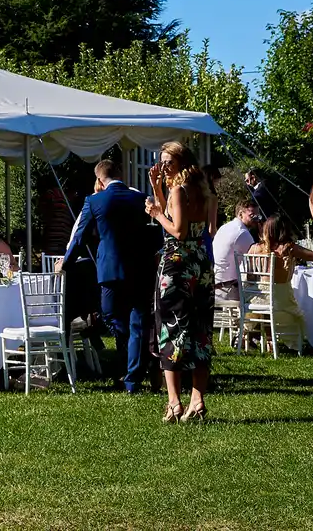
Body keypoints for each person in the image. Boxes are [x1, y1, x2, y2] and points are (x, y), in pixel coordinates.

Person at [60, 158, 156, 395]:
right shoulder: (140, 198)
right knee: (137, 322)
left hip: (111, 268)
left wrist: (66, 262)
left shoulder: (94, 201)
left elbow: (80, 236)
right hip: (140, 268)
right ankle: (133, 375)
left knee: (110, 314)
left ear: (100, 180)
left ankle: (130, 363)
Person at [144, 142, 215, 424]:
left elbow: (177, 229)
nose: (163, 167)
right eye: (161, 163)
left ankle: (174, 402)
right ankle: (197, 401)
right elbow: (198, 227)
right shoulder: (204, 190)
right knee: (200, 331)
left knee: (170, 329)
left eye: (168, 163)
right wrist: (158, 189)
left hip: (176, 266)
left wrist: (155, 213)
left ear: (182, 162)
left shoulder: (179, 190)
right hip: (201, 265)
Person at [244, 216, 313, 351]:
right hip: (280, 302)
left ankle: (262, 338)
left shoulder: (254, 248)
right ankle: (281, 341)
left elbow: (249, 277)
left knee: (268, 309)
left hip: (255, 300)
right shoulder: (289, 249)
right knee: (296, 315)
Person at [211, 201, 262, 304]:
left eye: (258, 216)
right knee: (260, 297)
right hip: (228, 288)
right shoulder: (242, 233)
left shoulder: (225, 227)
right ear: (240, 214)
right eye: (252, 216)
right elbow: (259, 259)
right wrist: (263, 235)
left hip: (214, 284)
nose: (256, 220)